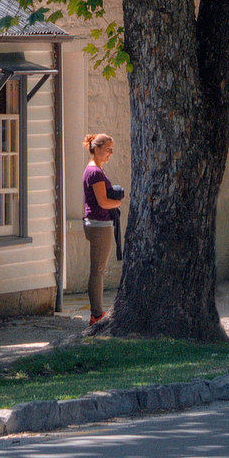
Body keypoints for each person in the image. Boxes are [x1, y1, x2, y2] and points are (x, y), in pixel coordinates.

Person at [82, 133, 124, 324]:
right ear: (96, 149)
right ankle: (96, 315)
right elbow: (103, 202)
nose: (110, 153)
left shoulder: (96, 170)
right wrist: (117, 203)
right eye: (107, 149)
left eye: (112, 150)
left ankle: (97, 312)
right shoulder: (95, 172)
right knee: (98, 271)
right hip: (99, 225)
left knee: (98, 270)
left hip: (97, 224)